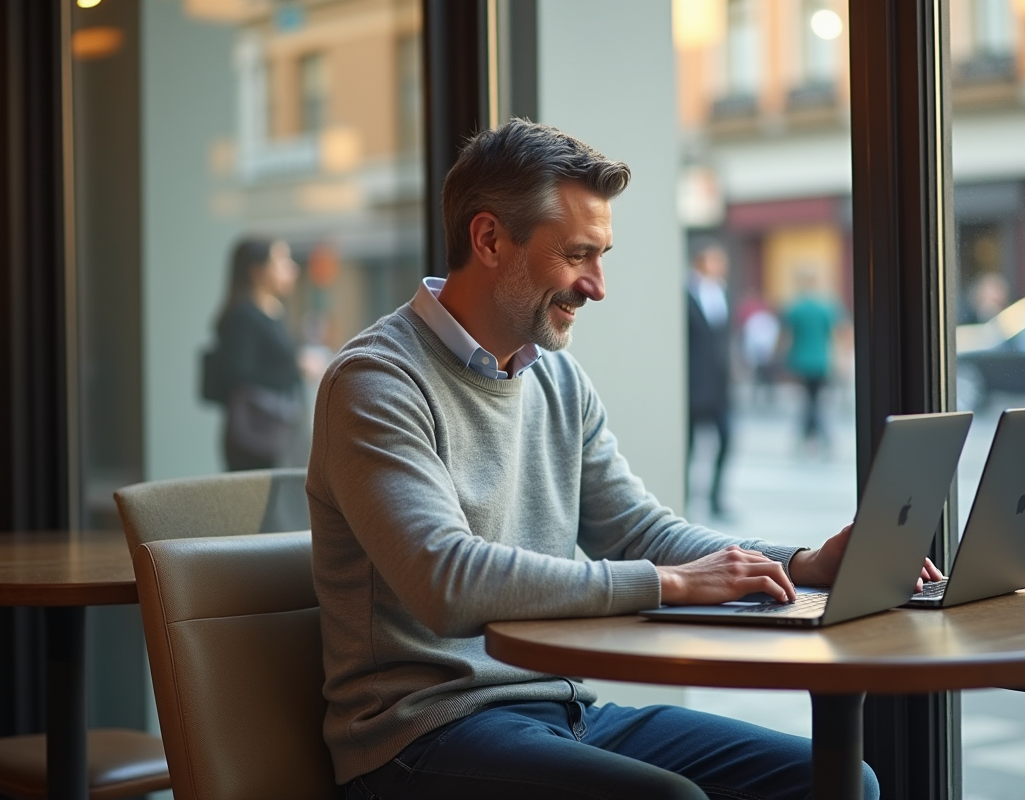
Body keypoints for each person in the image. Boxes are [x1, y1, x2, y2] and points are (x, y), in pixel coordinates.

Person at [308, 120, 936, 799]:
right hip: (417, 739)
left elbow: (642, 533)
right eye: (579, 255)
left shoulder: (556, 378)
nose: (598, 286)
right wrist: (668, 585)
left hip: (562, 712)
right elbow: (445, 581)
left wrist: (799, 564)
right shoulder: (376, 381)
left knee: (839, 781)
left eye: (601, 255)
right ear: (489, 239)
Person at [210, 237, 304, 471]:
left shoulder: (274, 312)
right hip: (254, 434)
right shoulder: (243, 316)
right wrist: (297, 367)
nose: (292, 269)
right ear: (258, 271)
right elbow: (239, 375)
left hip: (279, 428)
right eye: (281, 262)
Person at [686, 240, 734, 518]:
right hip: (694, 385)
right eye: (716, 261)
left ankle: (716, 497)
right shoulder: (686, 294)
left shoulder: (720, 293)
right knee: (689, 445)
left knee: (726, 438)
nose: (721, 267)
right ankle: (687, 498)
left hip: (719, 385)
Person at [780, 270, 844, 451]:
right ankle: (817, 436)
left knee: (810, 401)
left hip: (800, 361)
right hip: (821, 361)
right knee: (814, 401)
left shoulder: (794, 307)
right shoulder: (826, 307)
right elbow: (838, 333)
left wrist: (780, 359)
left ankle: (811, 435)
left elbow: (786, 337)